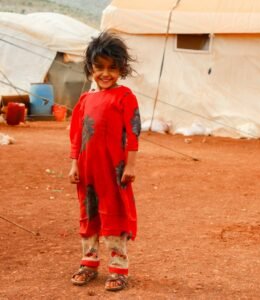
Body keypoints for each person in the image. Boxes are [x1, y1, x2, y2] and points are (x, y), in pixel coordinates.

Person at [68, 31, 141, 292]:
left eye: (112, 67)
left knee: (113, 214)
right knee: (88, 214)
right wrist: (74, 163)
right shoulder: (86, 99)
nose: (105, 73)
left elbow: (133, 133)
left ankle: (119, 267)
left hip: (113, 170)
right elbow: (77, 134)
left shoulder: (125, 97)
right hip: (88, 169)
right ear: (90, 69)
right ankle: (89, 262)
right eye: (99, 68)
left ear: (122, 68)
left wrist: (130, 165)